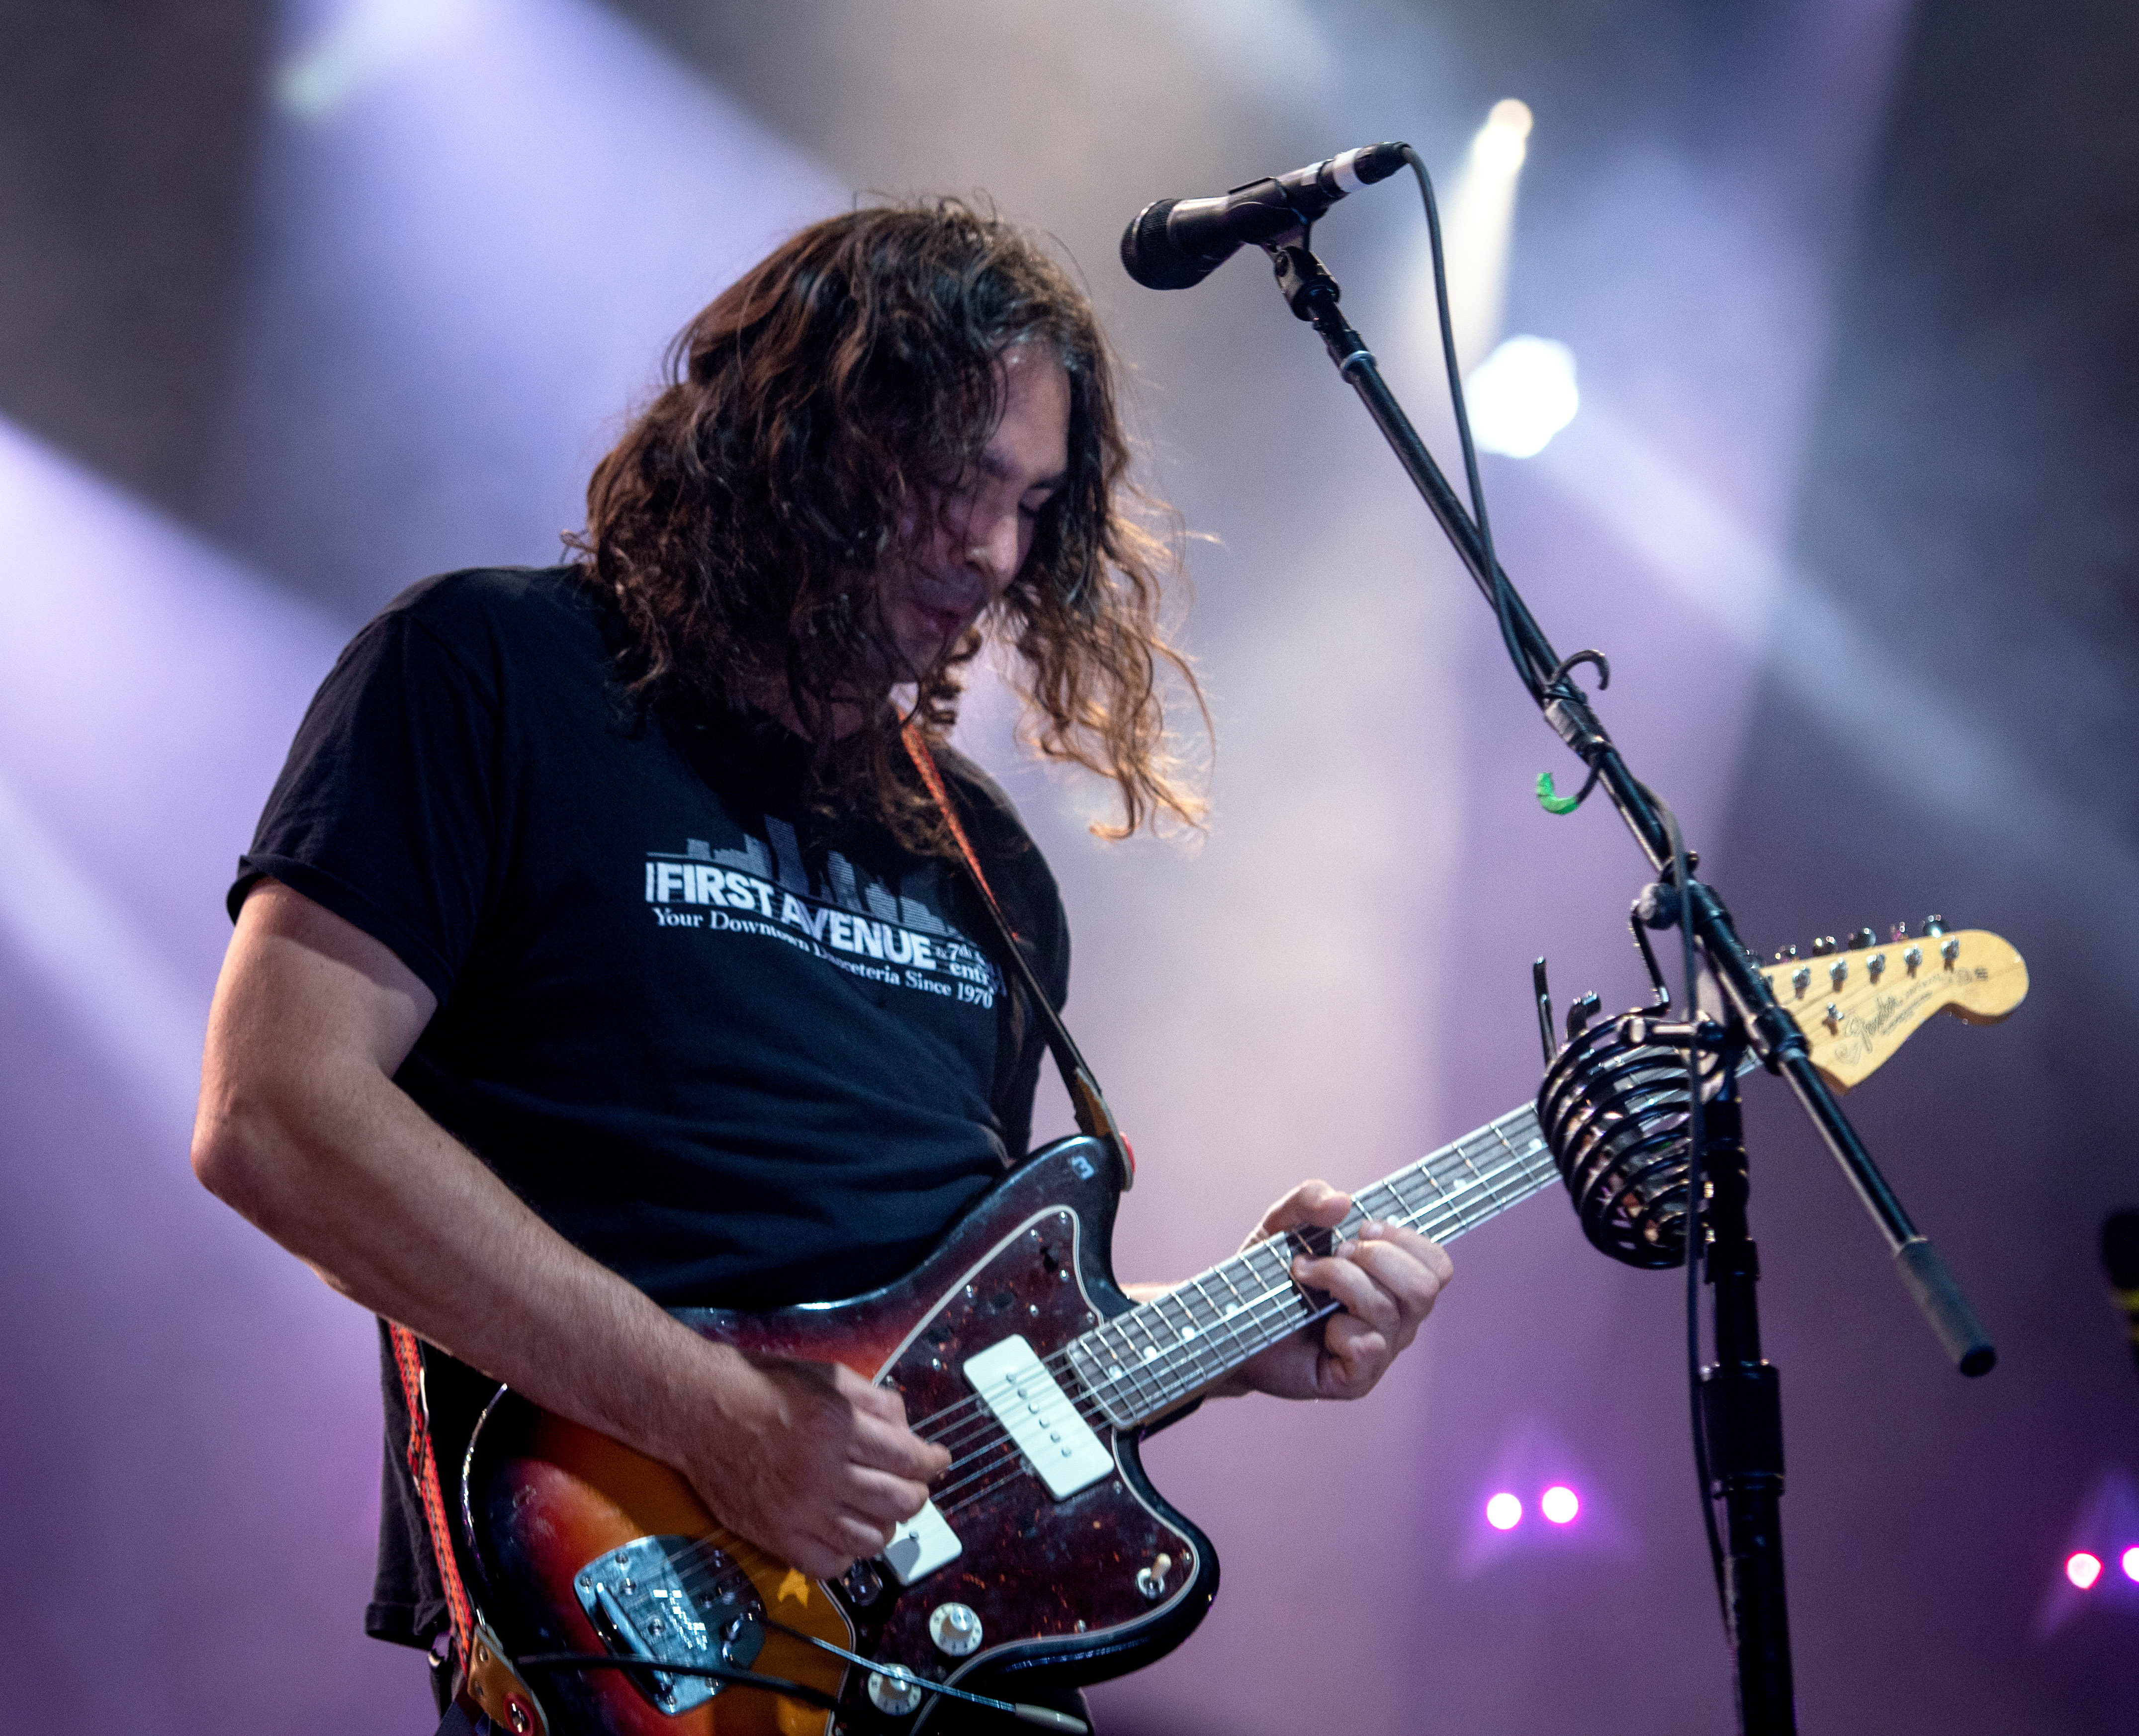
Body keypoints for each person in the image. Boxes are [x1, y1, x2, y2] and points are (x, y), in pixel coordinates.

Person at [190, 200, 1451, 1733]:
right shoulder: (491, 670)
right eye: (954, 484)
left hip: (929, 1670)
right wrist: (716, 1420)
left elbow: (941, 1345)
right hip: (633, 1627)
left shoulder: (980, 853)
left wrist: (1249, 1325)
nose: (992, 553)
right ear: (797, 442)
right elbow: (274, 1112)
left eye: (1033, 506)